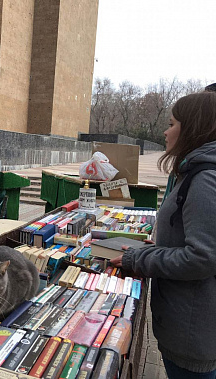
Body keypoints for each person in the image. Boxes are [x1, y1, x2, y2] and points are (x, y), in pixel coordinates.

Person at [110, 92, 216, 378]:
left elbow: (202, 258)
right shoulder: (197, 171)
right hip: (190, 326)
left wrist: (138, 259)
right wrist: (157, 246)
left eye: (171, 124)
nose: (165, 131)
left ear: (192, 128)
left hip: (193, 334)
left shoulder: (205, 178)